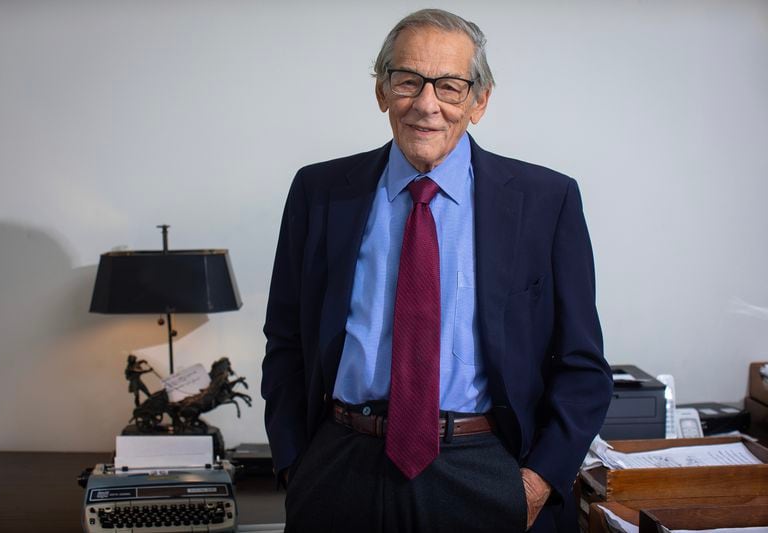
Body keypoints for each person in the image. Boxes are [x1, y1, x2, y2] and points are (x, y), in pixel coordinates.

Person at [262, 8, 612, 533]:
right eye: (407, 81)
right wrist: (296, 464)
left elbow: (583, 367)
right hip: (339, 467)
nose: (427, 105)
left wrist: (536, 483)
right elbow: (285, 341)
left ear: (480, 101)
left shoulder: (546, 201)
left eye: (450, 86)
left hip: (485, 469)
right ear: (382, 91)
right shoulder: (319, 192)